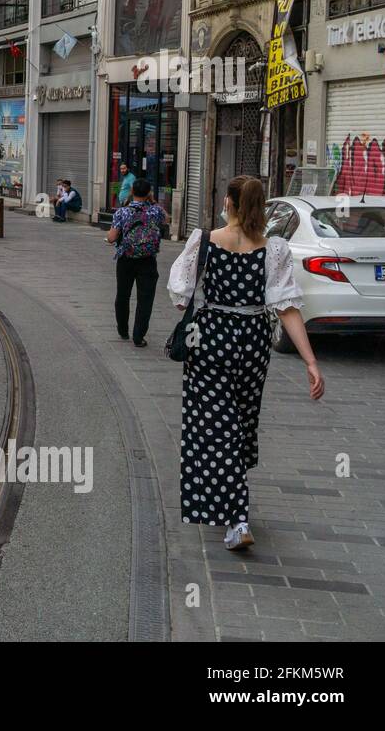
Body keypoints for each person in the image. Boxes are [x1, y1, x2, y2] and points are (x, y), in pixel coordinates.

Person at [167, 175, 325, 551]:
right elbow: (286, 307)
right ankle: (231, 505)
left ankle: (237, 519)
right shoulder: (274, 249)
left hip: (210, 341)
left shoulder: (205, 240)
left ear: (229, 203)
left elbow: (180, 294)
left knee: (215, 428)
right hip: (253, 344)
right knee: (238, 422)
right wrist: (311, 361)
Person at [107, 178, 169, 347]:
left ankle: (123, 329)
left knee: (123, 295)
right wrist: (153, 202)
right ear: (149, 193)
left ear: (132, 191)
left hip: (126, 258)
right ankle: (138, 336)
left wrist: (110, 238)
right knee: (145, 299)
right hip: (148, 260)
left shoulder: (122, 212)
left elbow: (112, 237)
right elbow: (166, 220)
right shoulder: (156, 211)